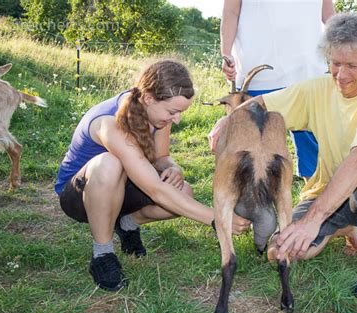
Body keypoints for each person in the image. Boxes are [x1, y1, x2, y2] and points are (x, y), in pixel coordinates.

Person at [209, 13, 357, 299]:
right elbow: (263, 103)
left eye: (352, 65)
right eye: (335, 63)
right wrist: (229, 119)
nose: (340, 74)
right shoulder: (318, 88)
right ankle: (343, 227)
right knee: (280, 251)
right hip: (324, 190)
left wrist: (312, 221)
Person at [55, 60, 251, 291]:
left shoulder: (157, 115)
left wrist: (173, 167)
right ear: (149, 98)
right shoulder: (110, 122)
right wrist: (218, 218)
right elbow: (154, 189)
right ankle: (102, 254)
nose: (176, 119)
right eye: (173, 111)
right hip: (79, 195)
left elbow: (161, 157)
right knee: (109, 163)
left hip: (122, 187)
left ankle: (127, 225)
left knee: (183, 192)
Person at [220, 0, 335, 180]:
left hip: (307, 69)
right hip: (258, 72)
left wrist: (342, 51)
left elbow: (329, 16)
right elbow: (231, 11)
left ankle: (314, 201)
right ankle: (252, 203)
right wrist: (226, 52)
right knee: (252, 153)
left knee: (313, 149)